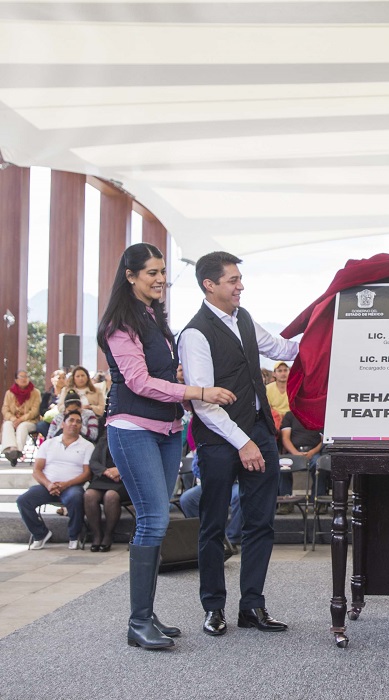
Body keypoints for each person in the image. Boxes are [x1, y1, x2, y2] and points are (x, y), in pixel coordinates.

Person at [97, 242, 236, 650]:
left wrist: (175, 373)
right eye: (151, 273)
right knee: (154, 519)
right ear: (130, 275)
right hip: (133, 426)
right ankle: (138, 621)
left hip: (169, 429)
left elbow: (157, 372)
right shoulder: (120, 324)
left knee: (155, 519)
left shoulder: (154, 319)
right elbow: (137, 382)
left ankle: (147, 615)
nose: (160, 279)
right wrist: (198, 390)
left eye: (162, 272)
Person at [178, 251, 299, 638]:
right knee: (213, 525)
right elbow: (203, 402)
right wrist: (242, 442)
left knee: (261, 523)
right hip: (219, 442)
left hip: (259, 434)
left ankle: (252, 606)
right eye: (232, 280)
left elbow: (282, 349)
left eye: (239, 279)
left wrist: (326, 333)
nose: (240, 285)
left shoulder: (244, 318)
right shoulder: (195, 333)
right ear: (209, 285)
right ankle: (214, 608)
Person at [16, 410, 92, 550]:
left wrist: (65, 484)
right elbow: (37, 470)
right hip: (47, 486)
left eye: (78, 422)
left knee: (76, 496)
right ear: (63, 424)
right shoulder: (48, 444)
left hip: (72, 486)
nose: (74, 424)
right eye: (71, 420)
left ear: (81, 426)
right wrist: (49, 484)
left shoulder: (87, 446)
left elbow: (87, 474)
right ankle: (40, 534)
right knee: (23, 500)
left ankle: (74, 536)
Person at [83, 433, 128, 552]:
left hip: (124, 481)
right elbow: (93, 462)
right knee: (89, 495)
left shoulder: (132, 440)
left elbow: (138, 461)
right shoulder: (103, 440)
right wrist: (106, 472)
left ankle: (108, 535)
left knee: (110, 496)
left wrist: (120, 470)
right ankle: (97, 535)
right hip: (103, 477)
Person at [2, 369, 41, 466]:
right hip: (14, 420)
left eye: (26, 376)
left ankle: (17, 451)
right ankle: (12, 450)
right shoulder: (9, 393)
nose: (24, 379)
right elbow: (5, 410)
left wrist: (20, 420)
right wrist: (13, 419)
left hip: (30, 421)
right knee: (7, 424)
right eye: (21, 377)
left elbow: (34, 411)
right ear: (16, 380)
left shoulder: (35, 392)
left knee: (22, 426)